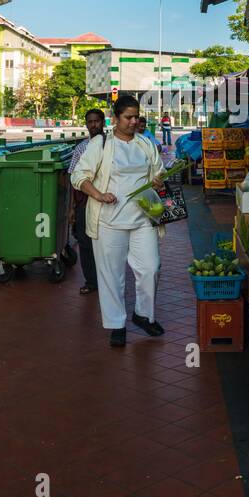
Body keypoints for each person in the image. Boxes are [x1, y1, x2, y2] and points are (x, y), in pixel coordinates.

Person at [71, 95, 166, 347]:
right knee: (112, 275)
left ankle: (143, 315)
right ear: (115, 118)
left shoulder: (145, 143)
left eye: (136, 117)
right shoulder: (101, 144)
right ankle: (116, 323)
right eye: (128, 117)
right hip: (109, 220)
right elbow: (79, 176)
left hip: (143, 217)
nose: (134, 121)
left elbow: (158, 170)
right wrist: (99, 195)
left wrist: (158, 179)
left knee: (150, 268)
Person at [68, 108, 106, 296]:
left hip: (108, 201)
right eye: (90, 122)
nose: (93, 125)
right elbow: (72, 179)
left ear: (103, 122)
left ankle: (107, 280)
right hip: (85, 202)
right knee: (85, 242)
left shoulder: (112, 145)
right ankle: (91, 281)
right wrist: (72, 208)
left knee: (106, 241)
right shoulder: (81, 148)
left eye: (96, 121)